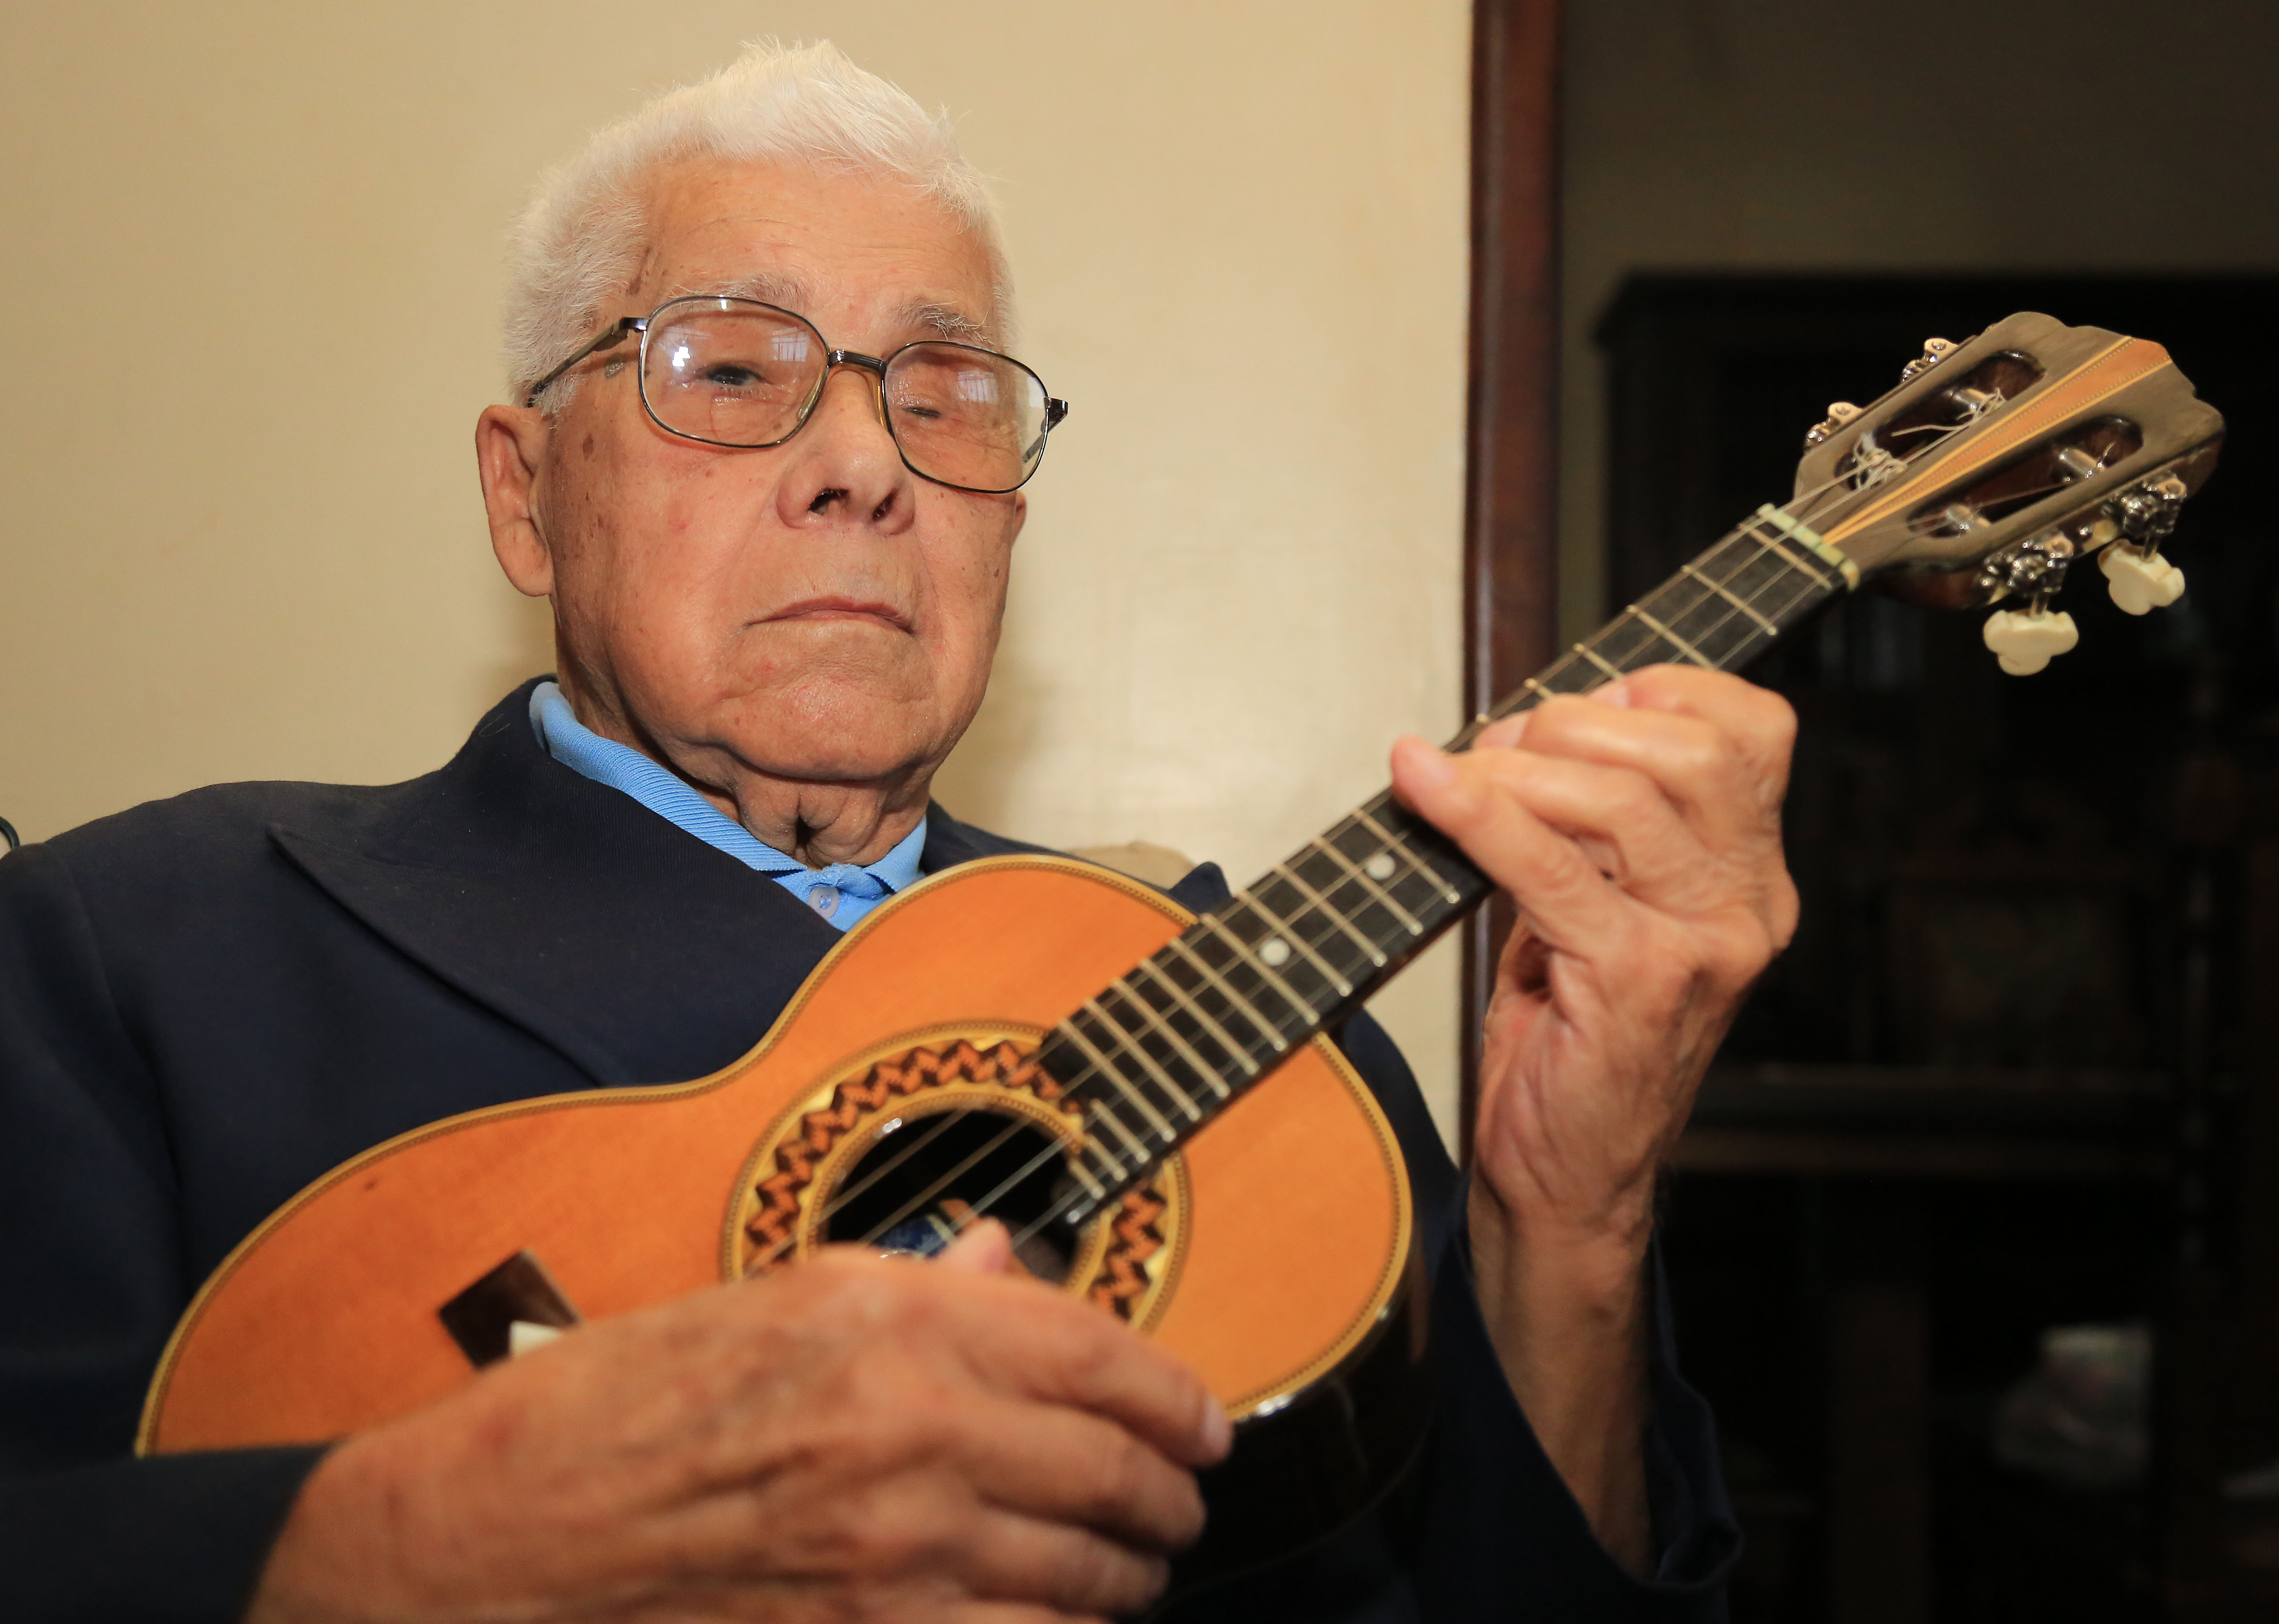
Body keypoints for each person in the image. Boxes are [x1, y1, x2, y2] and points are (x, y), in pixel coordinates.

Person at [0, 41, 1796, 1624]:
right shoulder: (141, 947)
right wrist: (419, 1536)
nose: (863, 458)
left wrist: (1566, 1221)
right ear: (526, 493)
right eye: (725, 366)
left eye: (941, 395)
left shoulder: (1246, 1018)